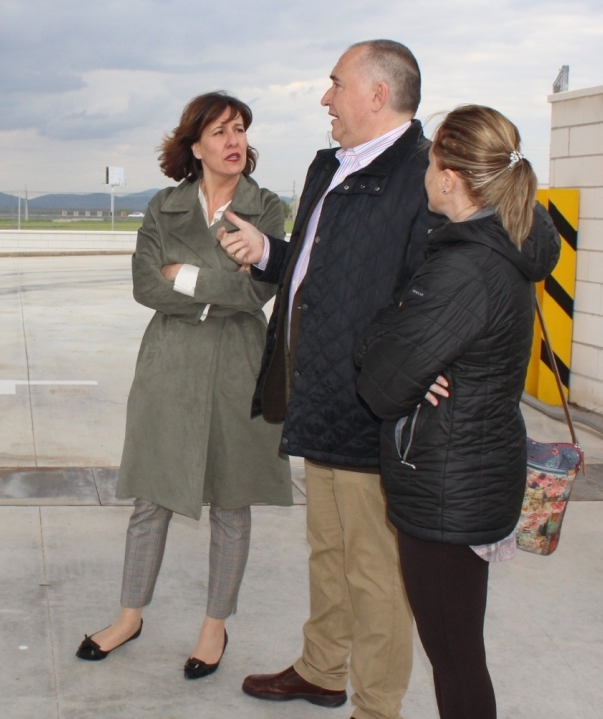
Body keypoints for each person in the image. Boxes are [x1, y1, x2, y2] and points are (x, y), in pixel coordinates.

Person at [220, 40, 439, 719]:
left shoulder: (425, 174)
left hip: (374, 405)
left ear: (377, 94)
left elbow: (436, 289)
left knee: (375, 569)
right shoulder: (333, 166)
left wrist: (428, 364)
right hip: (319, 392)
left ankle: (377, 705)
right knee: (328, 548)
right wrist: (268, 253)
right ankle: (321, 669)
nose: (325, 98)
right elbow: (323, 271)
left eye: (336, 84)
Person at [76, 91, 291, 680]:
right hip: (168, 367)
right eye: (220, 131)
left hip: (238, 368)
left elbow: (259, 290)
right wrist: (217, 285)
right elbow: (145, 284)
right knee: (151, 498)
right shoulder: (163, 205)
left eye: (240, 129)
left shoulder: (266, 207)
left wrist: (187, 276)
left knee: (232, 502)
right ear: (195, 145)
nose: (233, 141)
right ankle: (128, 617)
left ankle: (214, 627)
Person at [353, 105, 558, 719]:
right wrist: (399, 349)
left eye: (430, 161)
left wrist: (387, 345)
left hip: (449, 491)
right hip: (470, 474)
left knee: (456, 658)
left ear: (449, 178)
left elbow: (381, 383)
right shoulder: (496, 247)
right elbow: (398, 356)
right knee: (458, 651)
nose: (424, 172)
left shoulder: (466, 268)